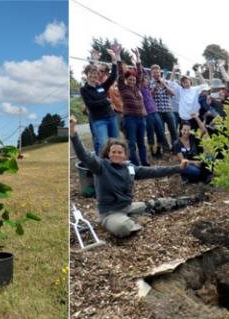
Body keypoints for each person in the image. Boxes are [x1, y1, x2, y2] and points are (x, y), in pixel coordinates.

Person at [70, 115, 199, 238]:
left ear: (125, 155)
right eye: (113, 152)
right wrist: (73, 134)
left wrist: (178, 168)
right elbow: (84, 156)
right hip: (110, 213)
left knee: (163, 203)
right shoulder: (100, 166)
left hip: (128, 207)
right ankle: (134, 220)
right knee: (122, 227)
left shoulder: (129, 168)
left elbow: (154, 171)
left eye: (120, 152)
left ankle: (193, 199)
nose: (116, 154)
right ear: (108, 153)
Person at [79, 46, 120, 155]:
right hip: (99, 120)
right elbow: (91, 105)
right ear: (87, 75)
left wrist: (114, 60)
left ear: (98, 76)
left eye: (95, 74)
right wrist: (106, 101)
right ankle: (102, 168)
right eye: (91, 74)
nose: (93, 76)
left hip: (111, 117)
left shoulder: (101, 87)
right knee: (104, 145)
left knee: (116, 143)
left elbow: (113, 77)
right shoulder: (84, 90)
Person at [118, 48, 149, 166]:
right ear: (126, 80)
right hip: (130, 119)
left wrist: (138, 58)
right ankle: (135, 165)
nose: (132, 81)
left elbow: (140, 72)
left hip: (141, 118)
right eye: (129, 79)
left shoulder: (137, 87)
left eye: (133, 79)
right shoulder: (123, 87)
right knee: (132, 143)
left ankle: (145, 163)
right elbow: (120, 73)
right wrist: (118, 56)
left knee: (141, 142)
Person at [172, 116, 213, 184]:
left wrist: (196, 117)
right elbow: (181, 160)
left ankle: (204, 177)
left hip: (198, 162)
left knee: (210, 157)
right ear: (180, 130)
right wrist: (194, 163)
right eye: (184, 130)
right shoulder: (177, 143)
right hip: (187, 164)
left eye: (188, 130)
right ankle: (205, 177)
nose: (186, 132)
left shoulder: (193, 139)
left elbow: (204, 130)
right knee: (195, 170)